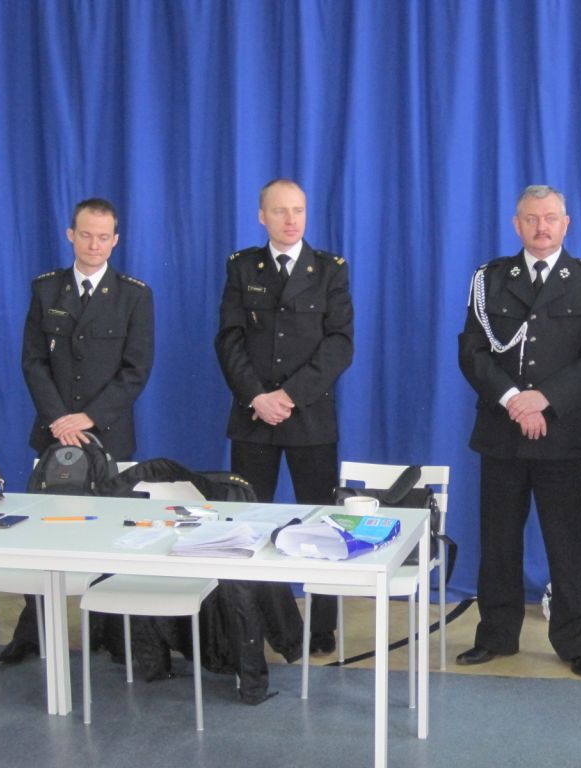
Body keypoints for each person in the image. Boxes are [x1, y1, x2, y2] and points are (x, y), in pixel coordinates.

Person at [457, 184, 581, 677]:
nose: (541, 227)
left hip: (563, 432)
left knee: (569, 544)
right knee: (499, 541)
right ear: (516, 224)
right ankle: (496, 635)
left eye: (550, 218)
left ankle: (578, 644)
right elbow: (472, 351)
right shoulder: (489, 279)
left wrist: (544, 399)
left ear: (566, 223)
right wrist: (513, 400)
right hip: (503, 430)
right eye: (531, 218)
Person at [0, 197, 154, 665]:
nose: (94, 244)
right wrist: (58, 419)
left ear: (115, 240)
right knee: (40, 536)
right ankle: (33, 634)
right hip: (54, 434)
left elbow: (136, 369)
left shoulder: (134, 295)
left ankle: (112, 632)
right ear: (71, 235)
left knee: (110, 535)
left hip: (108, 435)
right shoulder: (47, 289)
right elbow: (33, 361)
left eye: (103, 237)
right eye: (85, 234)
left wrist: (88, 418)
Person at [214, 178, 353, 684]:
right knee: (247, 526)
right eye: (280, 211)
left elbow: (339, 344)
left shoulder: (330, 269)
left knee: (322, 525)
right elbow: (229, 340)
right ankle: (249, 623)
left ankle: (322, 625)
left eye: (298, 210)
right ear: (262, 217)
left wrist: (289, 396)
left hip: (309, 417)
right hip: (254, 417)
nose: (291, 220)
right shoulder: (242, 267)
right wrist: (258, 397)